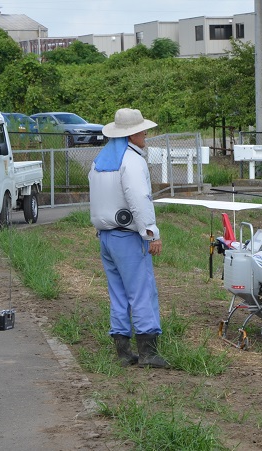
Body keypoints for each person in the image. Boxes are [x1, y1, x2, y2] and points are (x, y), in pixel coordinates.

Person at [88, 108, 169, 369]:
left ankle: (123, 352)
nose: (146, 133)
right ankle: (148, 352)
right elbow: (139, 198)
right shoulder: (132, 160)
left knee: (118, 294)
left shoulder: (100, 160)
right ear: (132, 134)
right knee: (142, 292)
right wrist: (151, 232)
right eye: (142, 129)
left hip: (106, 236)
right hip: (128, 236)